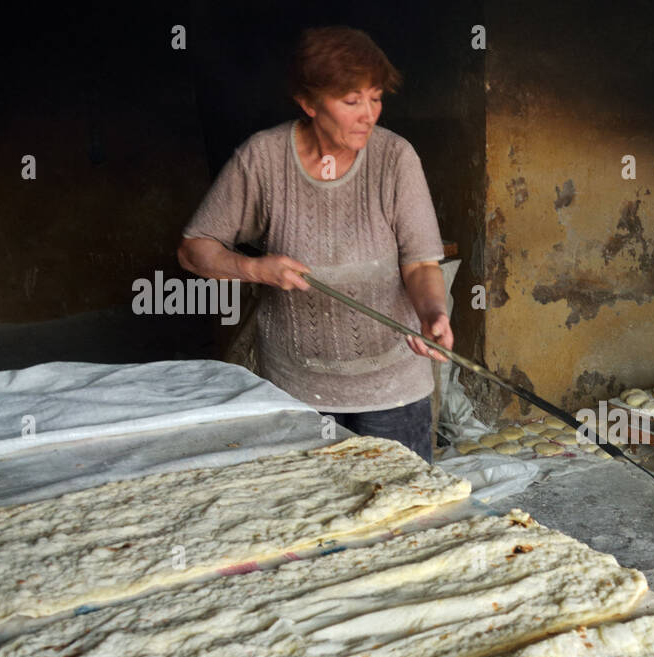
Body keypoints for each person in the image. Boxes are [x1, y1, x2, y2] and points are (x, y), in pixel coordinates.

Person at [177, 26, 450, 461]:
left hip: (393, 389)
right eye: (351, 101)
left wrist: (433, 314)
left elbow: (420, 265)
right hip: (298, 389)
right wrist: (254, 269)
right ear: (308, 102)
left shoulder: (396, 159)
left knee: (404, 516)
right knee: (314, 517)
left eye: (375, 97)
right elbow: (194, 248)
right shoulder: (262, 159)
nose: (369, 114)